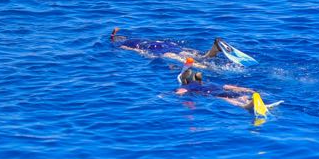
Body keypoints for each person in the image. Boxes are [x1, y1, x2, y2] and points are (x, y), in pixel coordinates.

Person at [110, 29, 251, 66]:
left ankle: (210, 68)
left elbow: (136, 50)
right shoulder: (139, 38)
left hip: (160, 51)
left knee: (181, 59)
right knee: (197, 55)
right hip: (169, 45)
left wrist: (147, 55)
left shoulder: (123, 44)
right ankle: (213, 50)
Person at [175, 65, 271, 115]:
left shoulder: (188, 86)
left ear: (186, 81)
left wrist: (170, 94)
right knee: (238, 96)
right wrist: (249, 90)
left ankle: (245, 106)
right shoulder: (209, 83)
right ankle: (248, 99)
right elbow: (229, 86)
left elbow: (181, 92)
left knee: (227, 99)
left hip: (217, 95)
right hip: (225, 91)